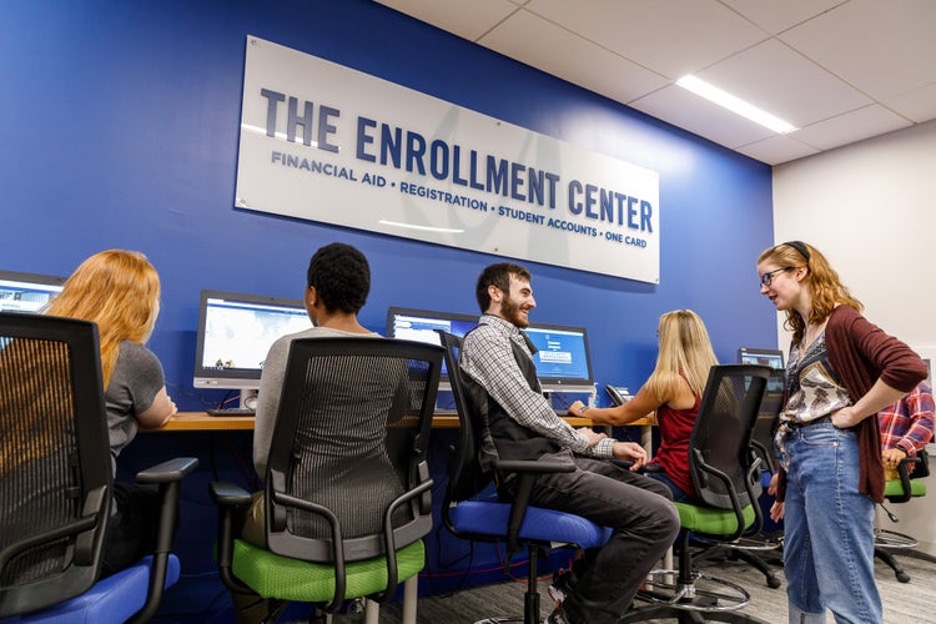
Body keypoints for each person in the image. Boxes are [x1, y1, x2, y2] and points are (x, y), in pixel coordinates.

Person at [459, 262, 680, 624]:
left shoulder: (511, 342)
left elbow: (532, 414)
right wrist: (597, 444)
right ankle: (578, 616)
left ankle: (573, 584)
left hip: (552, 462)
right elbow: (531, 412)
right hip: (533, 473)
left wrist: (601, 446)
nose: (533, 302)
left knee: (661, 495)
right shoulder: (487, 339)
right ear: (495, 294)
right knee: (659, 519)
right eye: (525, 292)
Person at [757, 240, 927, 624]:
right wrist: (787, 476)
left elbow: (908, 366)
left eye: (769, 278)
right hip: (802, 457)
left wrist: (856, 412)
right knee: (801, 574)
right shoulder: (802, 334)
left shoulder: (843, 320)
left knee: (843, 578)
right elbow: (800, 408)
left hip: (832, 453)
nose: (764, 289)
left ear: (800, 271)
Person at [237, 242, 407, 622]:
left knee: (240, 519)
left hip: (308, 516)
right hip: (384, 514)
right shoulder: (393, 354)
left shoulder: (290, 347)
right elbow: (397, 414)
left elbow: (264, 459)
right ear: (362, 297)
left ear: (312, 295)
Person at [46, 249, 178, 577]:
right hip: (77, 544)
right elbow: (157, 415)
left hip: (12, 536)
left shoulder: (26, 352)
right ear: (142, 306)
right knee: (158, 506)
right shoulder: (134, 359)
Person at [568, 309, 718, 502]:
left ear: (668, 340)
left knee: (599, 477)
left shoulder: (669, 381)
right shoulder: (715, 382)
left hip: (679, 481)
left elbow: (618, 417)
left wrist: (583, 410)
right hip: (713, 483)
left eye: (660, 335)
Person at [879, 381, 935, 479]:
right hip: (857, 459)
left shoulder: (914, 385)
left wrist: (902, 448)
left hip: (889, 462)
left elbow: (926, 422)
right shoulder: (865, 387)